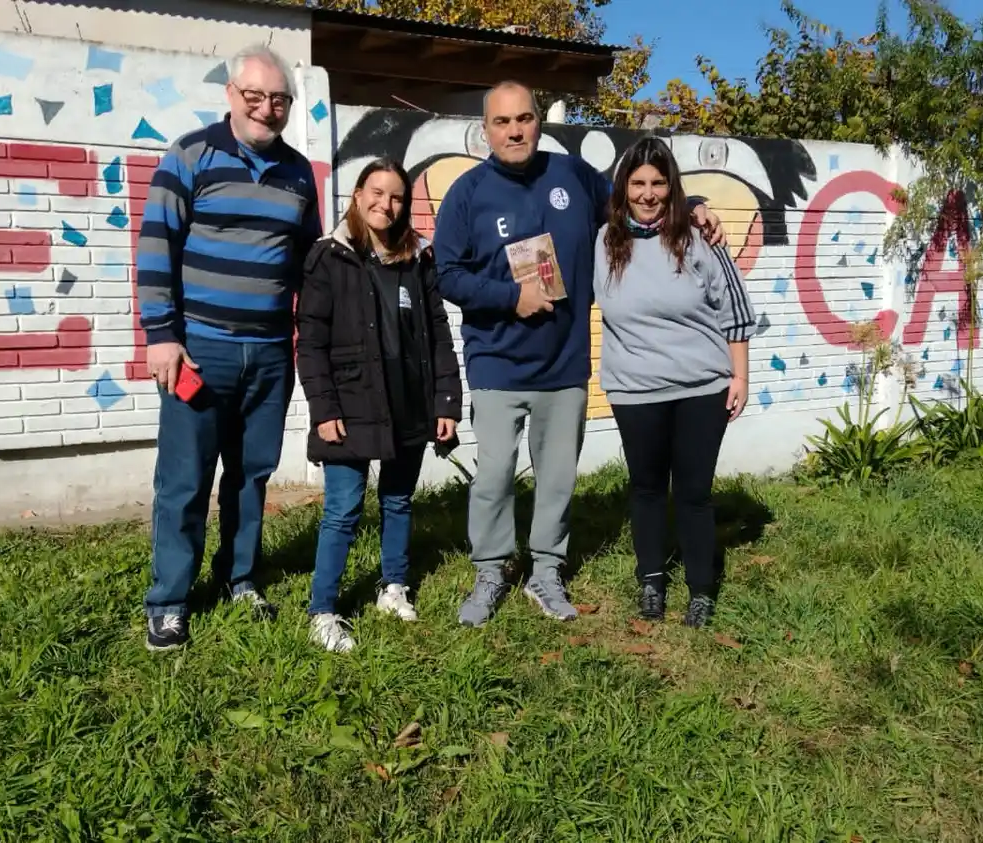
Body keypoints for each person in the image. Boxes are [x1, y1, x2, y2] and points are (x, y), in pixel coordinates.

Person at [432, 80, 725, 628]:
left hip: (565, 366)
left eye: (524, 118)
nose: (515, 130)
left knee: (558, 479)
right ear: (485, 130)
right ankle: (491, 569)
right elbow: (446, 273)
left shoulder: (569, 175)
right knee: (494, 475)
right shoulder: (467, 193)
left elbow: (637, 198)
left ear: (538, 121)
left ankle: (546, 571)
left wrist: (697, 205)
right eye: (503, 122)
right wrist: (509, 296)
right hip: (496, 363)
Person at [135, 45, 321, 651]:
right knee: (185, 481)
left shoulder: (298, 173)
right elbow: (157, 244)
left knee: (252, 476)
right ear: (231, 95)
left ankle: (239, 576)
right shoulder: (191, 154)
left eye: (280, 100)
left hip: (270, 354)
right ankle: (169, 599)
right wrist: (161, 336)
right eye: (256, 97)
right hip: (199, 353)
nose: (268, 109)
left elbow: (307, 262)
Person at [295, 158, 463, 653]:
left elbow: (437, 336)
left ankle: (394, 586)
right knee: (343, 511)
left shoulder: (416, 259)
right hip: (348, 405)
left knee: (397, 501)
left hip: (408, 403)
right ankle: (323, 610)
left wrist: (446, 401)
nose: (384, 204)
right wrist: (324, 409)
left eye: (395, 197)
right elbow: (310, 343)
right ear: (357, 194)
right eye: (376, 192)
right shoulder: (329, 256)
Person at [593, 137, 752, 629]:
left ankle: (701, 590)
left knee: (693, 492)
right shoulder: (603, 241)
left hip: (701, 388)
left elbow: (736, 311)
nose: (647, 193)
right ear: (623, 188)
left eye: (658, 183)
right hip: (634, 389)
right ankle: (651, 581)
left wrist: (740, 374)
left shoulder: (700, 237)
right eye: (637, 183)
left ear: (672, 186)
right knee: (644, 488)